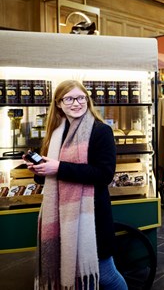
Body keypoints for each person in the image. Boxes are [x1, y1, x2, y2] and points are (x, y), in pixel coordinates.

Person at [24, 80, 127, 290]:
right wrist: (40, 171)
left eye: (81, 98)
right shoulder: (55, 133)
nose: (76, 103)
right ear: (59, 103)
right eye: (69, 98)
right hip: (62, 218)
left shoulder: (101, 131)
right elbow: (51, 175)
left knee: (107, 275)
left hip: (92, 217)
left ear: (87, 101)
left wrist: (58, 168)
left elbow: (104, 174)